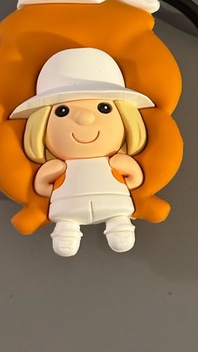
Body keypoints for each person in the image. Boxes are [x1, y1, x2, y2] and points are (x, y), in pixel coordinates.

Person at [10, 47, 154, 257]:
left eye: (104, 108)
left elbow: (43, 187)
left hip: (110, 201)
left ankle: (120, 227)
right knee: (67, 221)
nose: (85, 118)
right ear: (40, 125)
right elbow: (134, 178)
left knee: (118, 216)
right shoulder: (62, 165)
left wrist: (49, 187)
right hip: (69, 206)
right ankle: (66, 232)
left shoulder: (113, 161)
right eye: (62, 111)